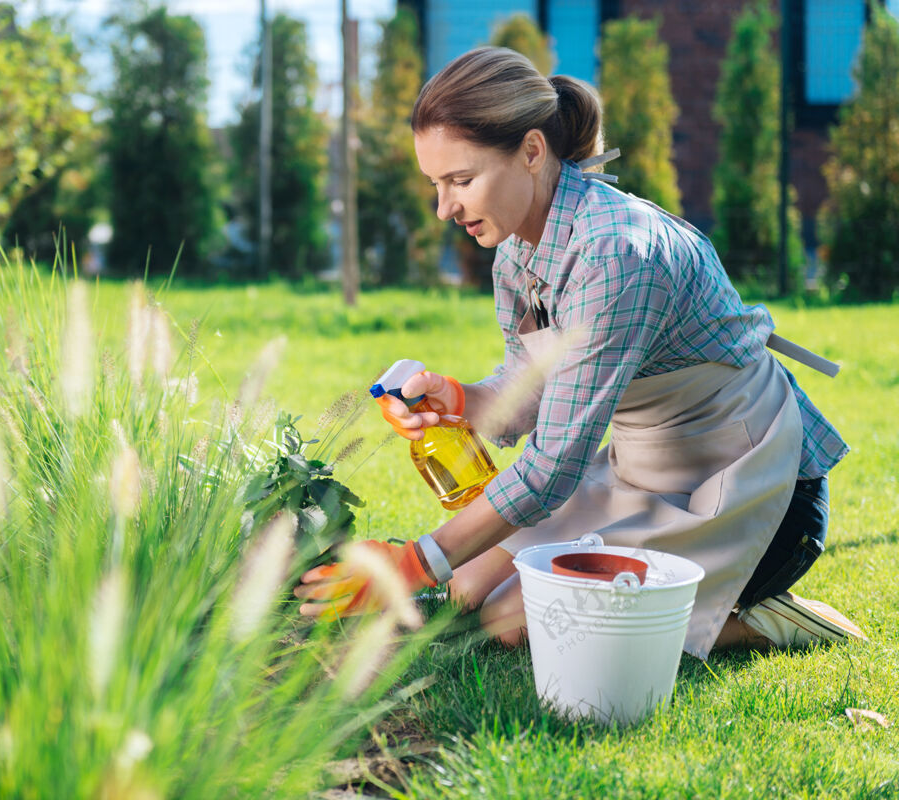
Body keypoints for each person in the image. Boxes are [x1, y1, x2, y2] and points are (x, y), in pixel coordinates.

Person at [294, 47, 864, 658]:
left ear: (532, 152)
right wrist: (457, 400)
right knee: (467, 590)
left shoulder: (615, 254)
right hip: (644, 474)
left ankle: (768, 616)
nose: (445, 207)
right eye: (436, 184)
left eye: (461, 180)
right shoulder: (518, 247)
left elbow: (551, 469)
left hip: (753, 494)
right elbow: (527, 387)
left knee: (514, 624)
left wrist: (415, 561)